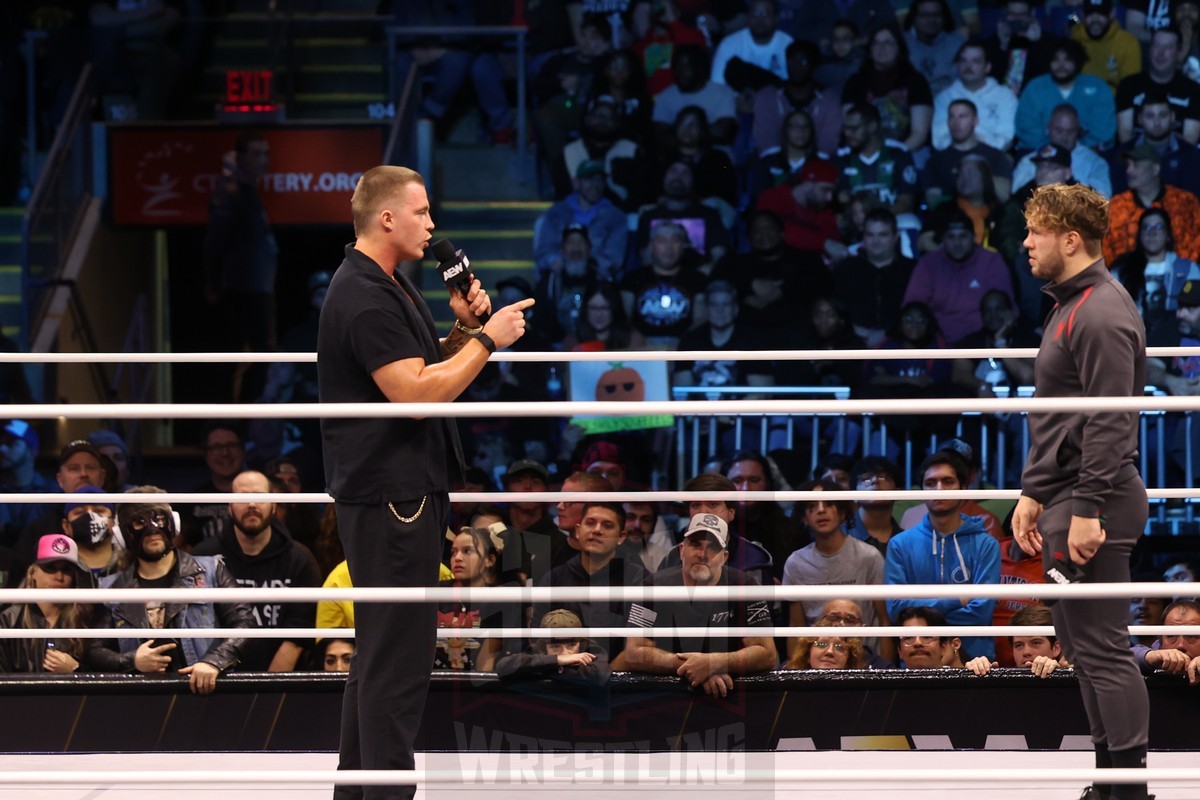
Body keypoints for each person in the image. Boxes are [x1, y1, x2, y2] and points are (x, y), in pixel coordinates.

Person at [317, 165, 532, 800]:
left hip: (399, 491)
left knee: (383, 652)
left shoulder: (385, 284)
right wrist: (487, 343)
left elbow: (418, 365)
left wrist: (465, 330)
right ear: (387, 218)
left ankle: (359, 794)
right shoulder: (363, 292)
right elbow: (412, 394)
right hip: (392, 495)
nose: (433, 225)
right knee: (400, 658)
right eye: (422, 212)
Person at [1012, 182, 1152, 800]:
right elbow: (1063, 414)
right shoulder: (1071, 305)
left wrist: (1088, 507)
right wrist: (1034, 492)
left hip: (1096, 498)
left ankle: (1127, 791)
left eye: (1035, 232)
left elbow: (1112, 418)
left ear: (1071, 239)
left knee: (1100, 646)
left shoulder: (1099, 309)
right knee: (1079, 644)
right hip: (1071, 494)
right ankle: (1109, 781)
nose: (1025, 243)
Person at [92, 487, 253, 694]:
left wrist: (214, 661)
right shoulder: (112, 589)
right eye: (139, 523)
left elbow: (245, 622)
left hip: (203, 695)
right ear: (123, 535)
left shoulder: (211, 570)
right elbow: (95, 650)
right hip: (142, 700)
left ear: (173, 524)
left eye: (159, 520)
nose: (152, 530)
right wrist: (132, 661)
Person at [617, 514, 778, 695]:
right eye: (695, 544)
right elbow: (634, 651)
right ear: (681, 551)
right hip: (665, 694)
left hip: (728, 693)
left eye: (713, 548)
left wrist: (714, 663)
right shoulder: (653, 586)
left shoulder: (744, 585)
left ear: (724, 557)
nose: (702, 555)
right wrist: (695, 667)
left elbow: (767, 653)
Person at [190, 470, 322, 672]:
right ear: (230, 506)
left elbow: (298, 635)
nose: (251, 505)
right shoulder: (204, 557)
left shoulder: (300, 558)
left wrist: (269, 688)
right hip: (215, 675)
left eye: (260, 497)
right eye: (243, 497)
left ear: (274, 505)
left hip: (280, 681)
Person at [885, 450, 1002, 661]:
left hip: (977, 662)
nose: (939, 489)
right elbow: (896, 610)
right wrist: (957, 600)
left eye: (948, 481)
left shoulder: (986, 544)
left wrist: (921, 618)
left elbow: (981, 613)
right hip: (917, 660)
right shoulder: (899, 545)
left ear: (964, 488)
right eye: (931, 483)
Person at [203, 131, 278, 394]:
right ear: (241, 157)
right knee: (239, 358)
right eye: (256, 154)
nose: (263, 160)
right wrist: (213, 283)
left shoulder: (247, 190)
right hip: (240, 289)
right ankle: (234, 424)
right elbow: (215, 241)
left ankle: (249, 423)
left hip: (256, 287)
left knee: (261, 357)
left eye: (265, 153)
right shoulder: (231, 190)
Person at [0, 534, 96, 673]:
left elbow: (103, 675)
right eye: (50, 568)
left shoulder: (89, 618)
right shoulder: (8, 620)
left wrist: (76, 672)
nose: (59, 577)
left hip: (74, 695)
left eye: (66, 570)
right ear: (33, 572)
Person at [1103, 144, 1200, 265]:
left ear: (1155, 169)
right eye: (1128, 165)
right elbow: (1106, 250)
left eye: (1136, 165)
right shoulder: (1116, 206)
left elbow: (1196, 244)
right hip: (1126, 278)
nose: (1129, 171)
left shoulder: (1185, 202)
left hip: (1179, 277)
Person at [1015, 37, 1116, 151]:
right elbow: (1027, 128)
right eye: (1055, 60)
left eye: (1067, 60)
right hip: (1039, 152)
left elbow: (1103, 130)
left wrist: (1078, 150)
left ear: (1078, 62)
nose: (1061, 65)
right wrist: (1052, 152)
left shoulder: (1098, 87)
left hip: (1088, 153)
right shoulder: (1035, 87)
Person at [1115, 26, 1200, 146]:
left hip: (1177, 160)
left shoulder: (1193, 91)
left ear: (1179, 53)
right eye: (1156, 45)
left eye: (1168, 47)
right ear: (1149, 49)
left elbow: (1189, 141)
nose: (1160, 52)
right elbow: (1125, 134)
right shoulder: (1128, 85)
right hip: (1135, 157)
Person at [931, 41, 1019, 153]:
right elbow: (939, 140)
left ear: (987, 67)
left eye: (975, 61)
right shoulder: (944, 97)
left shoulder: (1005, 96)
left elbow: (1006, 139)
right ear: (957, 65)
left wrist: (970, 137)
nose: (968, 66)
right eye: (963, 60)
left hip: (994, 159)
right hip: (952, 158)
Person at [1011, 104, 1112, 197]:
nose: (1064, 137)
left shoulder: (1095, 163)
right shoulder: (1029, 161)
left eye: (1070, 131)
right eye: (1059, 130)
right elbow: (1015, 195)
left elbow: (1101, 201)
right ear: (1048, 128)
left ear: (1078, 132)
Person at [494, 607, 611, 686]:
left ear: (580, 642)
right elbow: (503, 667)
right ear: (545, 645)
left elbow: (599, 675)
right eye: (556, 647)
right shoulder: (538, 648)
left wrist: (545, 668)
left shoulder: (591, 649)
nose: (565, 653)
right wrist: (557, 660)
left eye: (571, 645)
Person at [965, 604, 1070, 677]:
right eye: (1019, 645)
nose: (1026, 652)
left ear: (1056, 648)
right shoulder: (1001, 681)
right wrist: (978, 672)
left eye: (1035, 643)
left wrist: (1063, 673)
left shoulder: (1071, 675)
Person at [1070, 0, 1141, 94]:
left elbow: (1131, 87)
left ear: (1111, 14)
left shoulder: (1128, 43)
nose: (1095, 19)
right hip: (1080, 101)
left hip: (1114, 103)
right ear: (1083, 15)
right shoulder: (1073, 40)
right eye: (1090, 13)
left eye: (1101, 13)